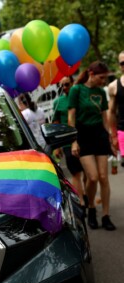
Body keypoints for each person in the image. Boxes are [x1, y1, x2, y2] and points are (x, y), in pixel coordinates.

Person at [68, 61, 116, 231]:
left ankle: (106, 215)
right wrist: (73, 140)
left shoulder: (101, 93)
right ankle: (91, 209)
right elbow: (71, 116)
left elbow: (104, 116)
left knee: (104, 177)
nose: (104, 81)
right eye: (101, 78)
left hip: (100, 136)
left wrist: (111, 137)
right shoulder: (77, 90)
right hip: (83, 136)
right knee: (93, 177)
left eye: (105, 78)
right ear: (91, 74)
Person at [52, 76, 88, 211]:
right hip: (68, 143)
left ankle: (84, 193)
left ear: (72, 83)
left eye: (67, 84)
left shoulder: (79, 98)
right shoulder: (57, 102)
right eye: (61, 86)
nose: (65, 88)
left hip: (84, 140)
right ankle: (82, 203)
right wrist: (56, 146)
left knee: (87, 173)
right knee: (76, 173)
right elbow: (55, 123)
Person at [108, 50, 124, 167]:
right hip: (122, 131)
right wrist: (113, 136)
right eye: (123, 63)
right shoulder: (113, 86)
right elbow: (111, 112)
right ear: (119, 66)